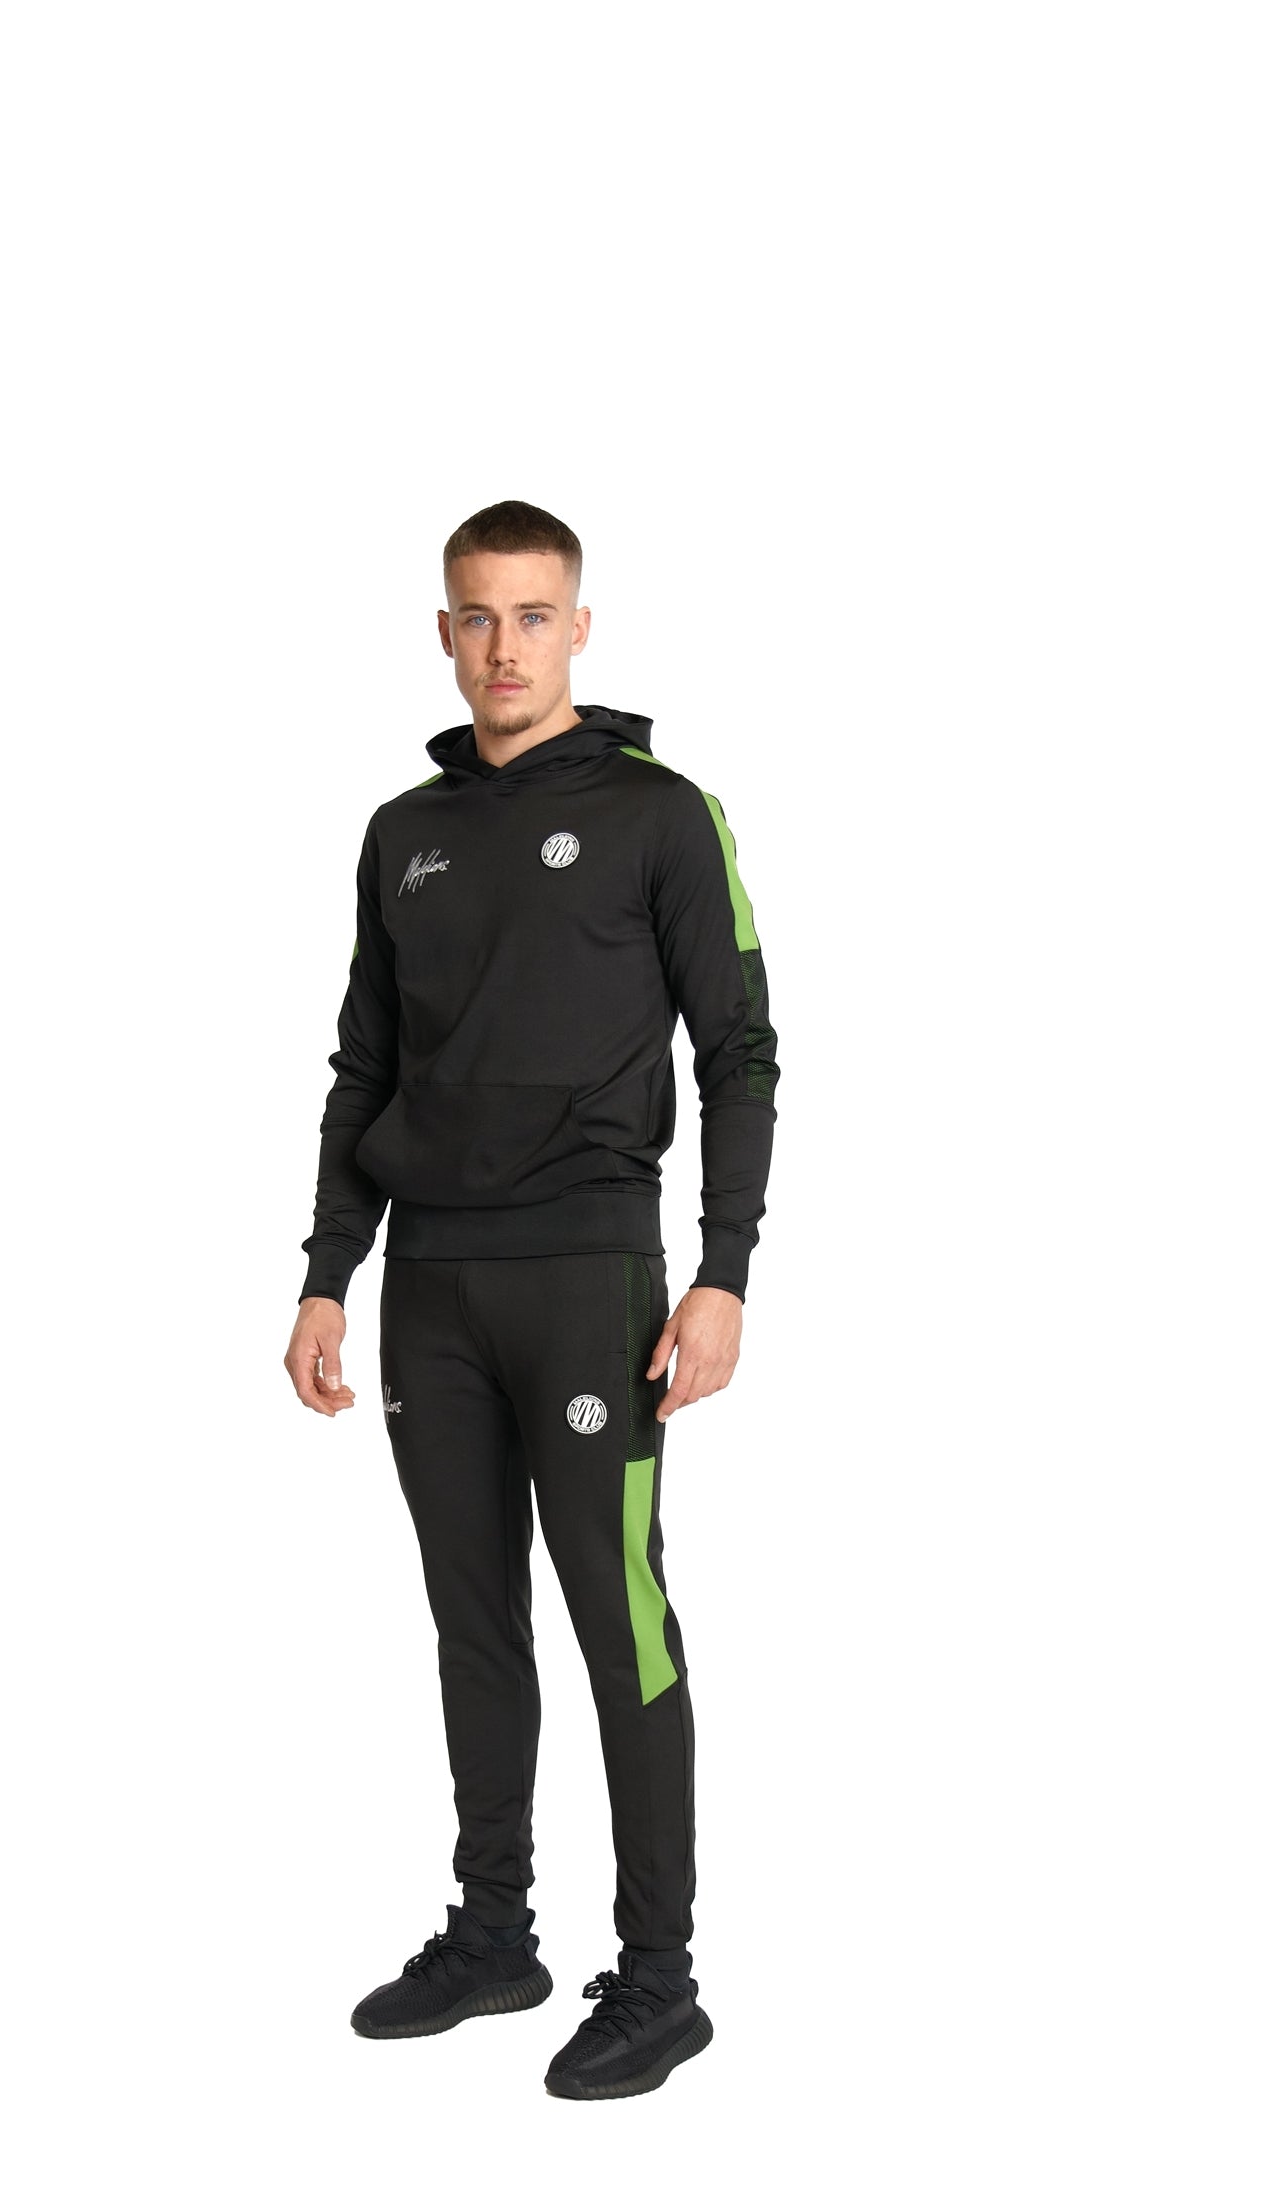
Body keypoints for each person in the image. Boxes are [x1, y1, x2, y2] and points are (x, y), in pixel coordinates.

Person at [284, 500, 778, 2099]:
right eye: (478, 617)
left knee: (616, 1617)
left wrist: (722, 1272)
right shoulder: (401, 835)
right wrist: (326, 1276)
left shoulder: (661, 815)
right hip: (431, 1283)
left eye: (534, 615)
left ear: (580, 628)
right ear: (444, 632)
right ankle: (496, 1934)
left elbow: (740, 1049)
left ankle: (662, 1979)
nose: (505, 646)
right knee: (473, 1620)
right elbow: (365, 1065)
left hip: (588, 1278)